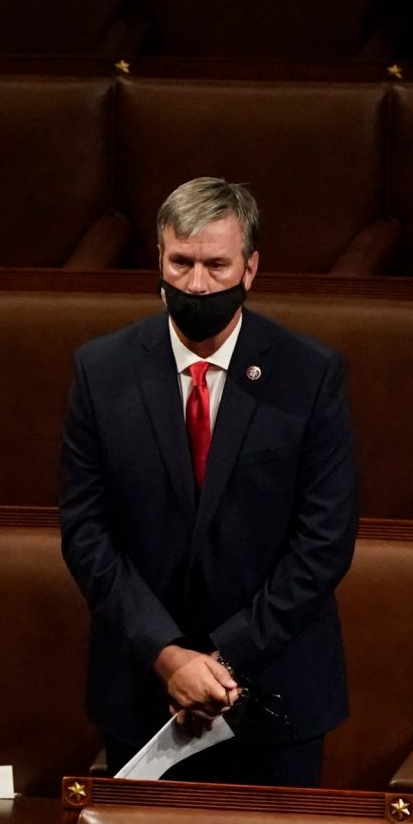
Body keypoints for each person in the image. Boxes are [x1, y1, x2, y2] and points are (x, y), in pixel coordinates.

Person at [59, 178, 360, 787]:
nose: (196, 284)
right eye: (182, 263)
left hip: (276, 693)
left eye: (216, 265)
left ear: (250, 268)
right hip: (143, 691)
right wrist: (168, 656)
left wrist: (221, 661)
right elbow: (88, 536)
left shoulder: (309, 375)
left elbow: (322, 543)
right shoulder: (102, 370)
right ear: (160, 260)